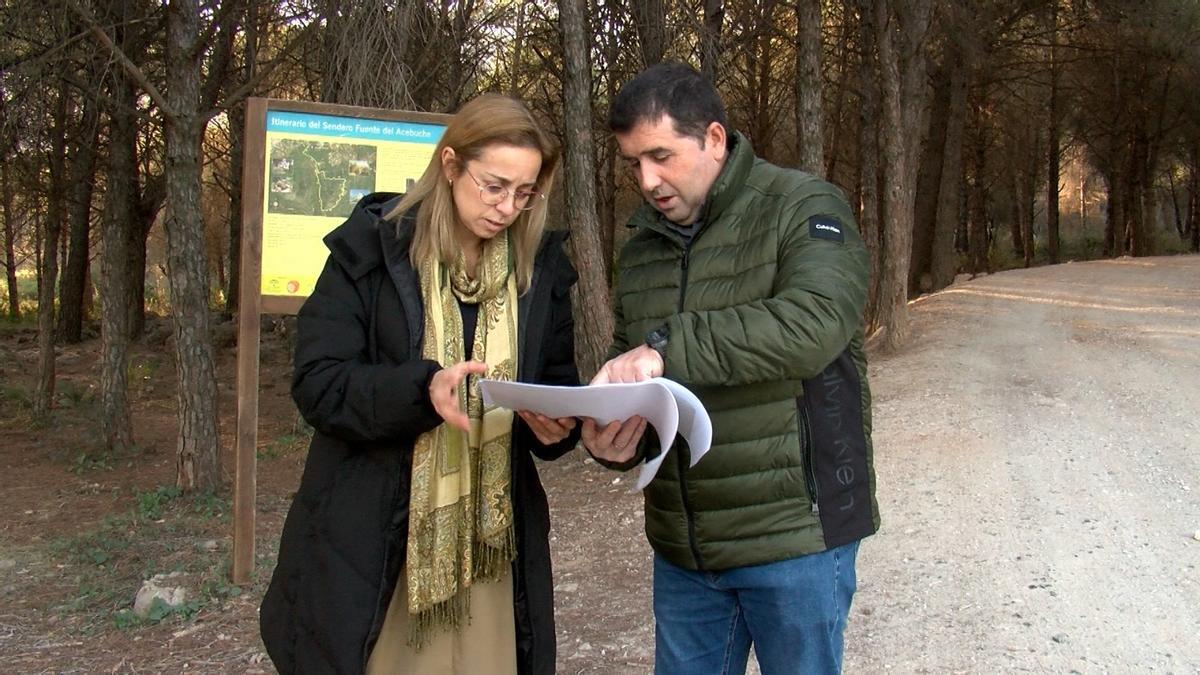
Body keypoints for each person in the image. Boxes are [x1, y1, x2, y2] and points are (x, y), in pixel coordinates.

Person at [260, 94, 581, 675]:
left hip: (491, 546)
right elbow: (319, 385)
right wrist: (421, 393)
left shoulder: (540, 272)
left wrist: (557, 428)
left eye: (524, 192)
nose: (508, 207)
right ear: (451, 165)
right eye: (494, 186)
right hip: (379, 538)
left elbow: (556, 386)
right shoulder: (372, 251)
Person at [582, 62, 878, 675]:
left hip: (794, 536)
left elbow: (814, 324)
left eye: (661, 155)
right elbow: (633, 366)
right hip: (684, 549)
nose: (647, 179)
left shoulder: (804, 207)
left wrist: (666, 349)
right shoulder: (641, 248)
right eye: (634, 163)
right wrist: (612, 437)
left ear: (714, 139)